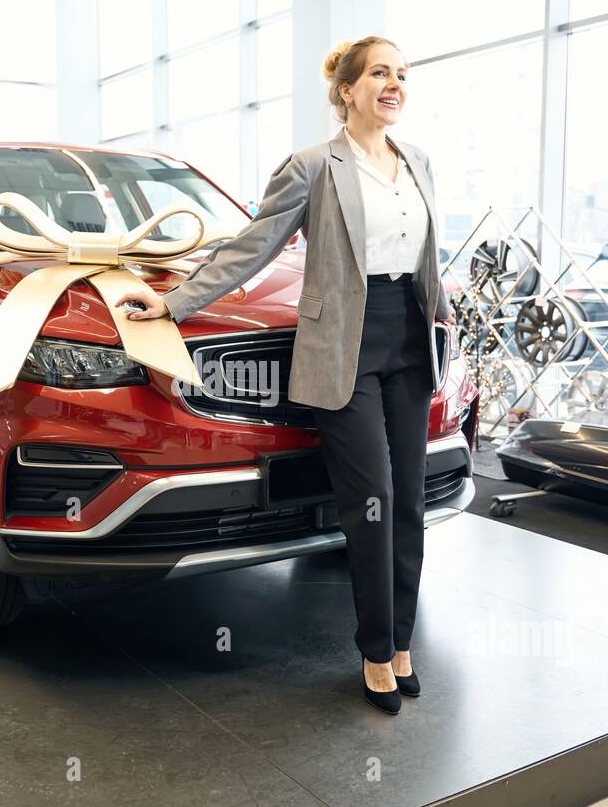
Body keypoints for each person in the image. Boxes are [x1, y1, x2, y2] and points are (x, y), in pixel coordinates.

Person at [118, 36, 451, 716]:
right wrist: (174, 303)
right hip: (344, 351)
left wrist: (448, 318)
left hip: (411, 343)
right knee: (373, 502)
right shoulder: (312, 167)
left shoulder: (417, 162)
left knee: (410, 504)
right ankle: (375, 650)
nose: (395, 85)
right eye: (381, 74)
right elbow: (252, 245)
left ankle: (404, 640)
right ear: (348, 90)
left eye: (402, 75)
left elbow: (424, 260)